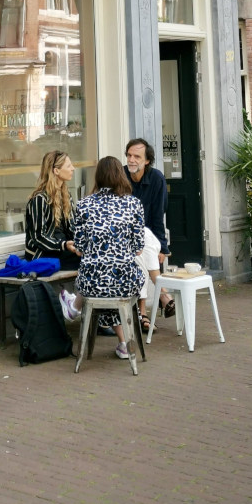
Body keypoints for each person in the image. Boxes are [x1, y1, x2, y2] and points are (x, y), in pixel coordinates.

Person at [59, 156, 145, 360]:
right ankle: (125, 344)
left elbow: (79, 248)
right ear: (120, 176)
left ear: (98, 177)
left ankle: (74, 307)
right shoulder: (134, 204)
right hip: (125, 281)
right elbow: (139, 248)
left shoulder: (84, 205)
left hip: (91, 284)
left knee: (102, 287)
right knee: (115, 286)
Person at [124, 138, 174, 330]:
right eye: (129, 155)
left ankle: (143, 314)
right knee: (141, 244)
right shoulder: (120, 176)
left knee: (143, 246)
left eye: (137, 156)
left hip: (147, 239)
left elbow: (157, 216)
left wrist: (162, 247)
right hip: (122, 239)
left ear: (147, 161)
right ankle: (163, 295)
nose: (131, 160)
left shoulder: (156, 179)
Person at [24, 150, 81, 269]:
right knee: (87, 261)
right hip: (42, 255)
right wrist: (63, 245)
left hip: (62, 249)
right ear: (56, 170)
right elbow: (38, 237)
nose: (73, 168)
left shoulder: (65, 195)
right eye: (69, 166)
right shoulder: (39, 199)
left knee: (94, 255)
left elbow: (72, 228)